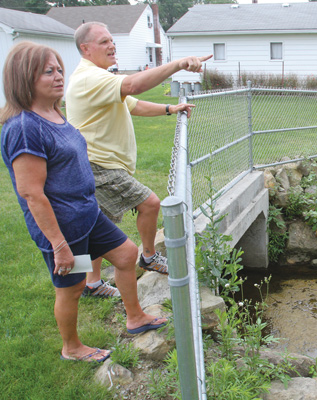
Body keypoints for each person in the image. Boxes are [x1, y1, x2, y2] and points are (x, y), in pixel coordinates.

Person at [0, 42, 167, 363]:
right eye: (48, 72)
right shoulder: (24, 128)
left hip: (87, 215)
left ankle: (136, 318)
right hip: (64, 228)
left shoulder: (52, 112)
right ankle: (72, 348)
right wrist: (59, 245)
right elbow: (32, 193)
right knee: (72, 287)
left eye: (59, 69)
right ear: (24, 77)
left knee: (127, 254)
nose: (59, 76)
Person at [65, 21, 212, 298]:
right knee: (151, 203)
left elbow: (133, 104)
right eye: (104, 41)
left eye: (112, 40)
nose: (112, 45)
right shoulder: (88, 78)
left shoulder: (99, 78)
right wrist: (178, 64)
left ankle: (90, 283)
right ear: (85, 48)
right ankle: (148, 256)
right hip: (99, 165)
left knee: (94, 227)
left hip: (100, 164)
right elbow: (133, 86)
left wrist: (170, 108)